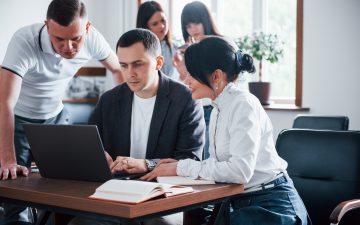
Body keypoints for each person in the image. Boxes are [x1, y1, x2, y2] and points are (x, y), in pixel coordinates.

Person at [142, 36, 310, 225]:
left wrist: (182, 167)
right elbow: (221, 165)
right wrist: (179, 167)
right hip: (238, 202)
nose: (186, 80)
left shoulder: (243, 104)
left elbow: (240, 171)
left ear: (216, 76)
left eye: (191, 74)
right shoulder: (217, 108)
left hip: (271, 205)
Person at [0, 0, 122, 222]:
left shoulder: (93, 38)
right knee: (15, 200)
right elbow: (5, 101)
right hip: (17, 119)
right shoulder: (24, 41)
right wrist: (8, 159)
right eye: (59, 39)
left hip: (56, 117)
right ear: (47, 26)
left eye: (76, 39)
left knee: (69, 189)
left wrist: (122, 114)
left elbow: (117, 69)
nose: (68, 47)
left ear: (86, 28)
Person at [68, 28, 205, 225]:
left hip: (164, 196)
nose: (130, 73)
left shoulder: (186, 100)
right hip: (117, 194)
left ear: (158, 62)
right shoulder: (109, 100)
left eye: (138, 65)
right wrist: (99, 156)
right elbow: (89, 146)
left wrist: (146, 164)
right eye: (123, 65)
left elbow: (190, 160)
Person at [175, 1, 222, 160]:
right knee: (198, 158)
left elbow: (229, 80)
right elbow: (190, 84)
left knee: (212, 159)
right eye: (188, 26)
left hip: (215, 108)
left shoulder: (222, 44)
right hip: (196, 109)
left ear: (206, 20)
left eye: (196, 23)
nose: (192, 29)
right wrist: (182, 72)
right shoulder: (188, 50)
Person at [136, 1, 179, 80]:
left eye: (163, 20)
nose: (162, 26)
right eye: (155, 24)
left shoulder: (177, 48)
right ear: (145, 27)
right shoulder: (137, 51)